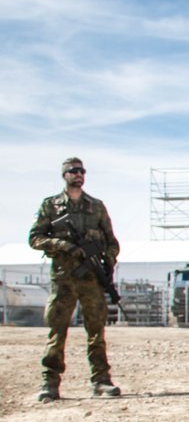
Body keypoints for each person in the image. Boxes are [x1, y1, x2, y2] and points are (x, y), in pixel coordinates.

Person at [28, 158, 121, 401]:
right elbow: (35, 238)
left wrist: (106, 262)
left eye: (82, 171)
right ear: (65, 175)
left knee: (96, 332)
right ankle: (50, 383)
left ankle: (101, 381)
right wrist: (63, 246)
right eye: (74, 171)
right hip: (63, 279)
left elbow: (112, 242)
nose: (79, 175)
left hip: (90, 279)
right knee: (57, 332)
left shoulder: (96, 207)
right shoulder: (51, 206)